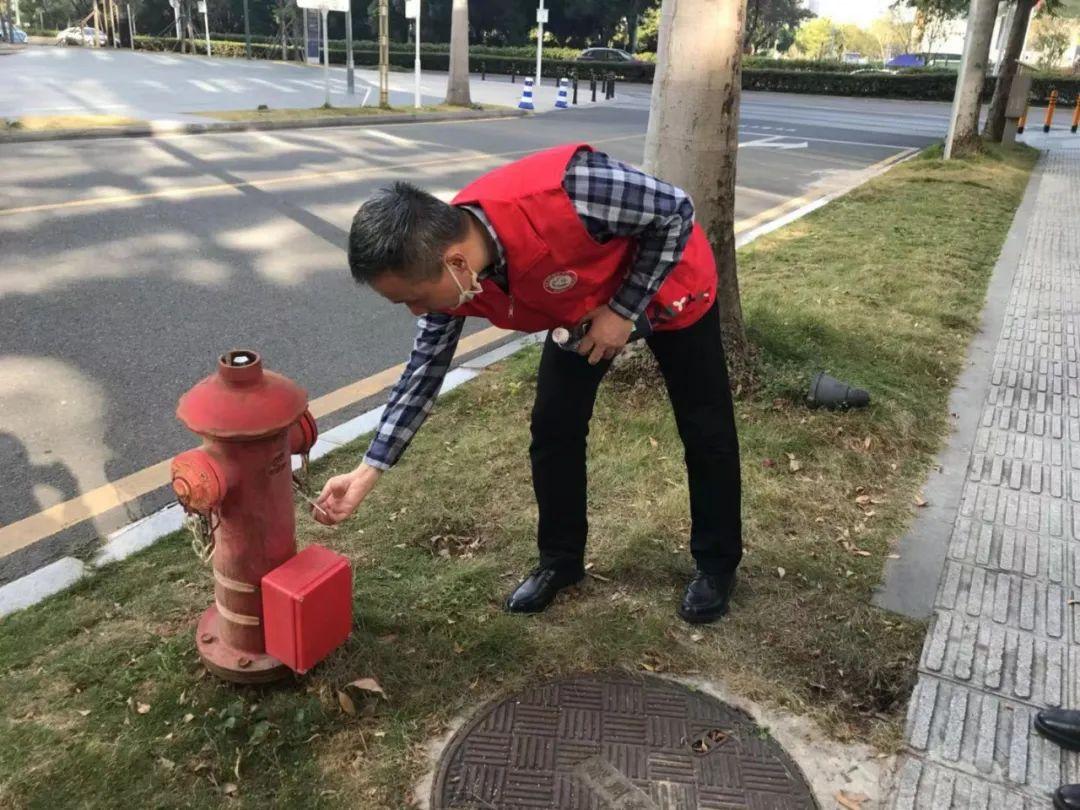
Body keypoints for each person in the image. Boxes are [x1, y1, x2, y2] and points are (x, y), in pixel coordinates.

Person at [314, 143, 742, 624]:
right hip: (581, 308)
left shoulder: (573, 188)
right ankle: (561, 561)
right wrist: (368, 470)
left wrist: (623, 311)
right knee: (554, 428)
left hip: (673, 288)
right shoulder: (451, 276)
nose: (417, 311)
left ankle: (717, 564)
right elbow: (423, 372)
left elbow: (675, 210)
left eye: (414, 298)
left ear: (456, 263)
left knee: (705, 427)